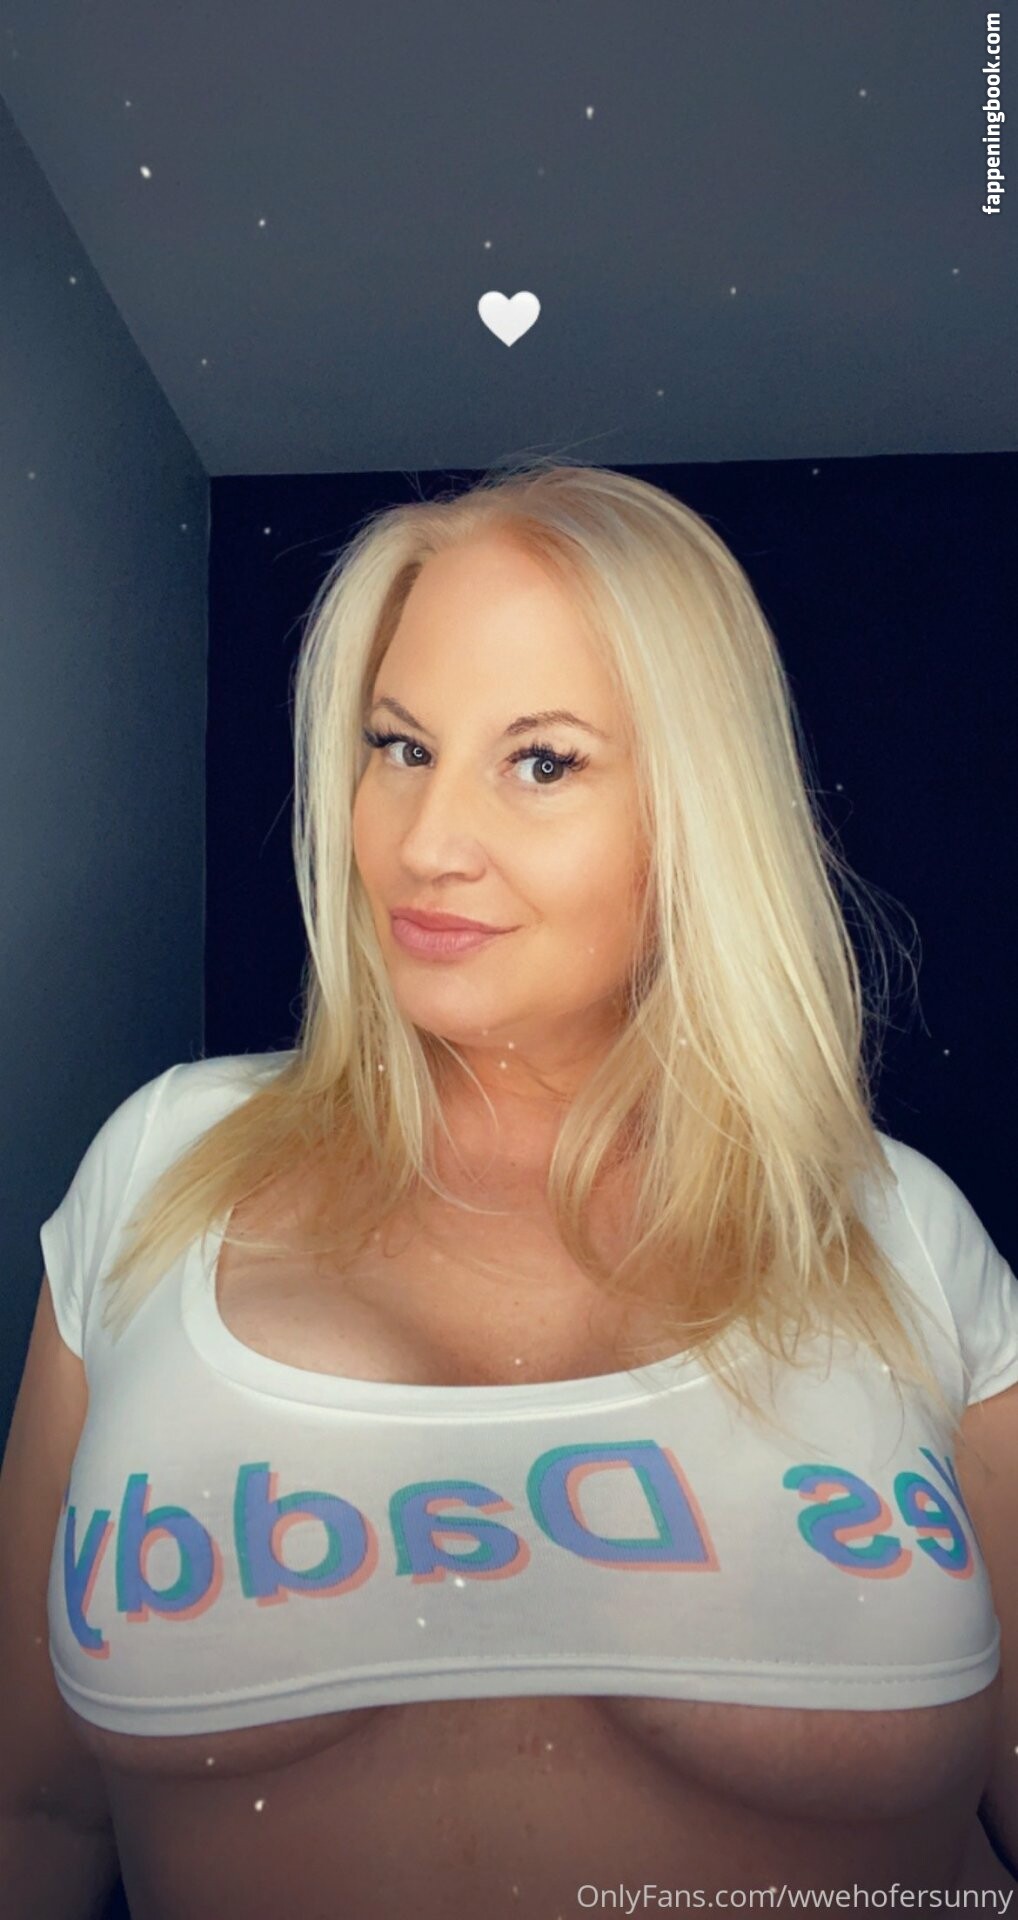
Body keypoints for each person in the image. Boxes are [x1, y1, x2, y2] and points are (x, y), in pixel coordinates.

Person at [3, 461, 1016, 1920]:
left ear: (696, 815)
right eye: (400, 747)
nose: (425, 844)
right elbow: (32, 1811)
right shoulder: (161, 1170)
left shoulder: (893, 1231)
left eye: (541, 762)